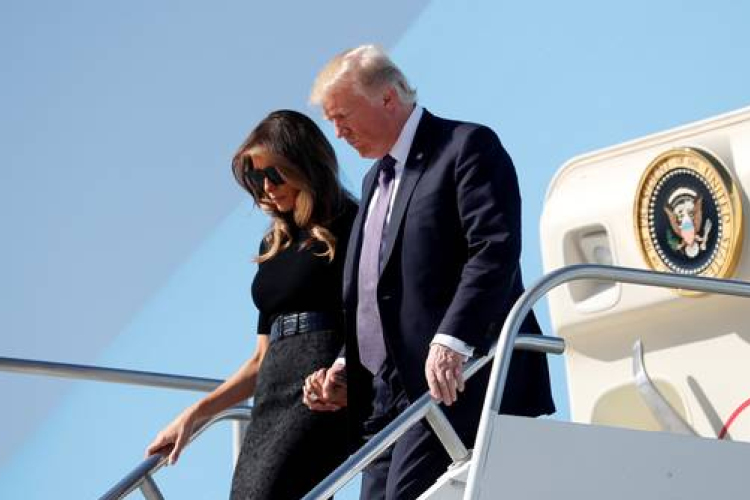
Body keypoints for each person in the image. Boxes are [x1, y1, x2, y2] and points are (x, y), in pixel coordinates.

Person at [302, 45, 555, 500]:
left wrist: (454, 339)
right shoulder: (373, 180)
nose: (338, 133)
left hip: (450, 381)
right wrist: (344, 365)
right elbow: (375, 290)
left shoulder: (465, 146)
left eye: (342, 116)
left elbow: (494, 250)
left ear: (387, 97)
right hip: (385, 395)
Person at [145, 109, 357, 500]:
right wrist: (195, 414)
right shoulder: (272, 244)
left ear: (304, 164)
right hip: (273, 386)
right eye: (256, 179)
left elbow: (371, 315)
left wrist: (342, 374)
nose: (267, 188)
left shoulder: (351, 223)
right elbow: (260, 359)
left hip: (323, 383)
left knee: (269, 492)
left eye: (274, 174)